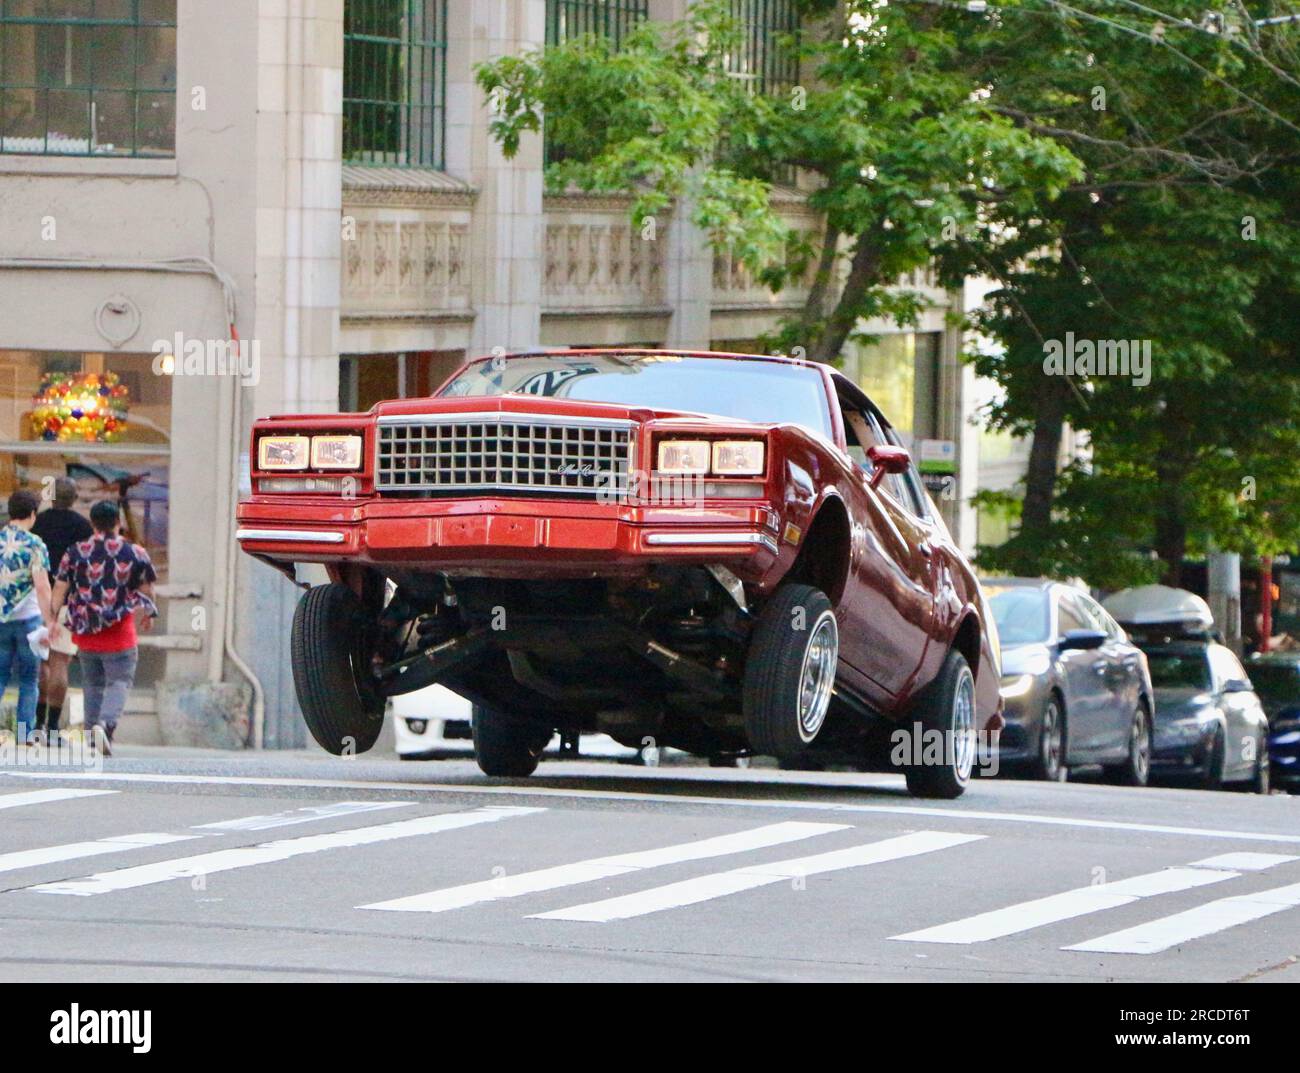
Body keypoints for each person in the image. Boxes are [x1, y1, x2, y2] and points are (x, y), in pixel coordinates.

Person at [51, 500, 157, 756]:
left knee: (93, 683)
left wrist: (52, 619)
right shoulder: (136, 553)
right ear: (118, 522)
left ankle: (91, 735)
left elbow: (60, 588)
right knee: (120, 680)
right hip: (119, 629)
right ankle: (106, 726)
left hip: (85, 630)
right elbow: (146, 588)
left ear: (93, 523)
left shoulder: (75, 551)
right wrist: (149, 612)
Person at [31, 477, 93, 744]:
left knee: (40, 664)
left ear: (51, 496)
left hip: (35, 599)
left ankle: (35, 723)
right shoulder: (83, 526)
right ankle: (53, 727)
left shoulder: (39, 522)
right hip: (69, 602)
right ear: (74, 497)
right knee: (60, 663)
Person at [0, 490, 55, 745]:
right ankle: (24, 733)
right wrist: (50, 620)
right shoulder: (35, 544)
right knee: (28, 678)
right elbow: (42, 586)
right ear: (32, 514)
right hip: (29, 619)